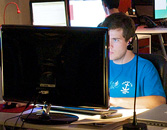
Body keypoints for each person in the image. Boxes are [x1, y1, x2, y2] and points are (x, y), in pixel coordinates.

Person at [101, 12, 166, 109]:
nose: (109, 45)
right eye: (107, 39)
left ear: (129, 40)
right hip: (97, 121)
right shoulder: (101, 65)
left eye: (115, 40)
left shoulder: (144, 68)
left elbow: (159, 102)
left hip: (128, 122)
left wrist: (114, 101)